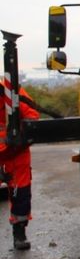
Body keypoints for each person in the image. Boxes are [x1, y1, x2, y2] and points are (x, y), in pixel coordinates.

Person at [0, 82, 40, 250]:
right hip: (9, 150)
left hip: (15, 151)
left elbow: (32, 117)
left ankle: (19, 234)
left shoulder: (11, 91)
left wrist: (19, 139)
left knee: (21, 193)